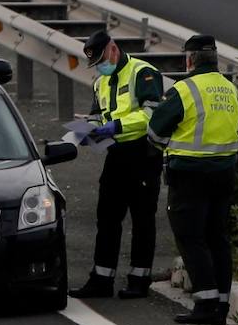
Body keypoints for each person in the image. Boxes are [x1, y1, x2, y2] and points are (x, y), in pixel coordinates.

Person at [147, 34, 238, 325]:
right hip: (225, 173)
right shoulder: (232, 89)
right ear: (215, 59)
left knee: (191, 237)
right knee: (218, 238)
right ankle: (222, 306)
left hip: (190, 174)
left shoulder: (184, 90)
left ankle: (206, 303)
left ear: (189, 60)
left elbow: (155, 132)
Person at [69, 30, 166, 300]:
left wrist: (115, 126)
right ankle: (101, 279)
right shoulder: (101, 81)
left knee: (142, 218)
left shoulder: (143, 73)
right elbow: (97, 115)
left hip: (142, 155)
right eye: (96, 62)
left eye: (102, 59)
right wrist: (88, 130)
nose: (101, 65)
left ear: (113, 49)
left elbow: (151, 115)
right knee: (107, 217)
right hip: (116, 154)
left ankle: (139, 278)